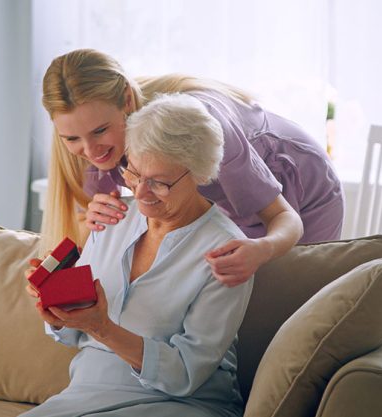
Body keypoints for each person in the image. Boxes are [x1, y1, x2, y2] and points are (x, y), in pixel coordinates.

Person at [21, 93, 253, 417]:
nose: (140, 193)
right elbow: (74, 334)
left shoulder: (226, 251)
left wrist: (103, 328)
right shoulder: (111, 218)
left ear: (200, 174)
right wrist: (58, 309)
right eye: (133, 172)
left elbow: (185, 375)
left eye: (159, 183)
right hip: (84, 396)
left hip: (181, 404)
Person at [40, 48, 344, 287]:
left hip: (304, 186)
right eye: (71, 138)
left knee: (287, 303)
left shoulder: (200, 127)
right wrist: (91, 220)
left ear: (127, 100)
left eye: (100, 131)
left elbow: (283, 217)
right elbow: (94, 237)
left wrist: (262, 249)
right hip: (232, 200)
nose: (91, 151)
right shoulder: (99, 153)